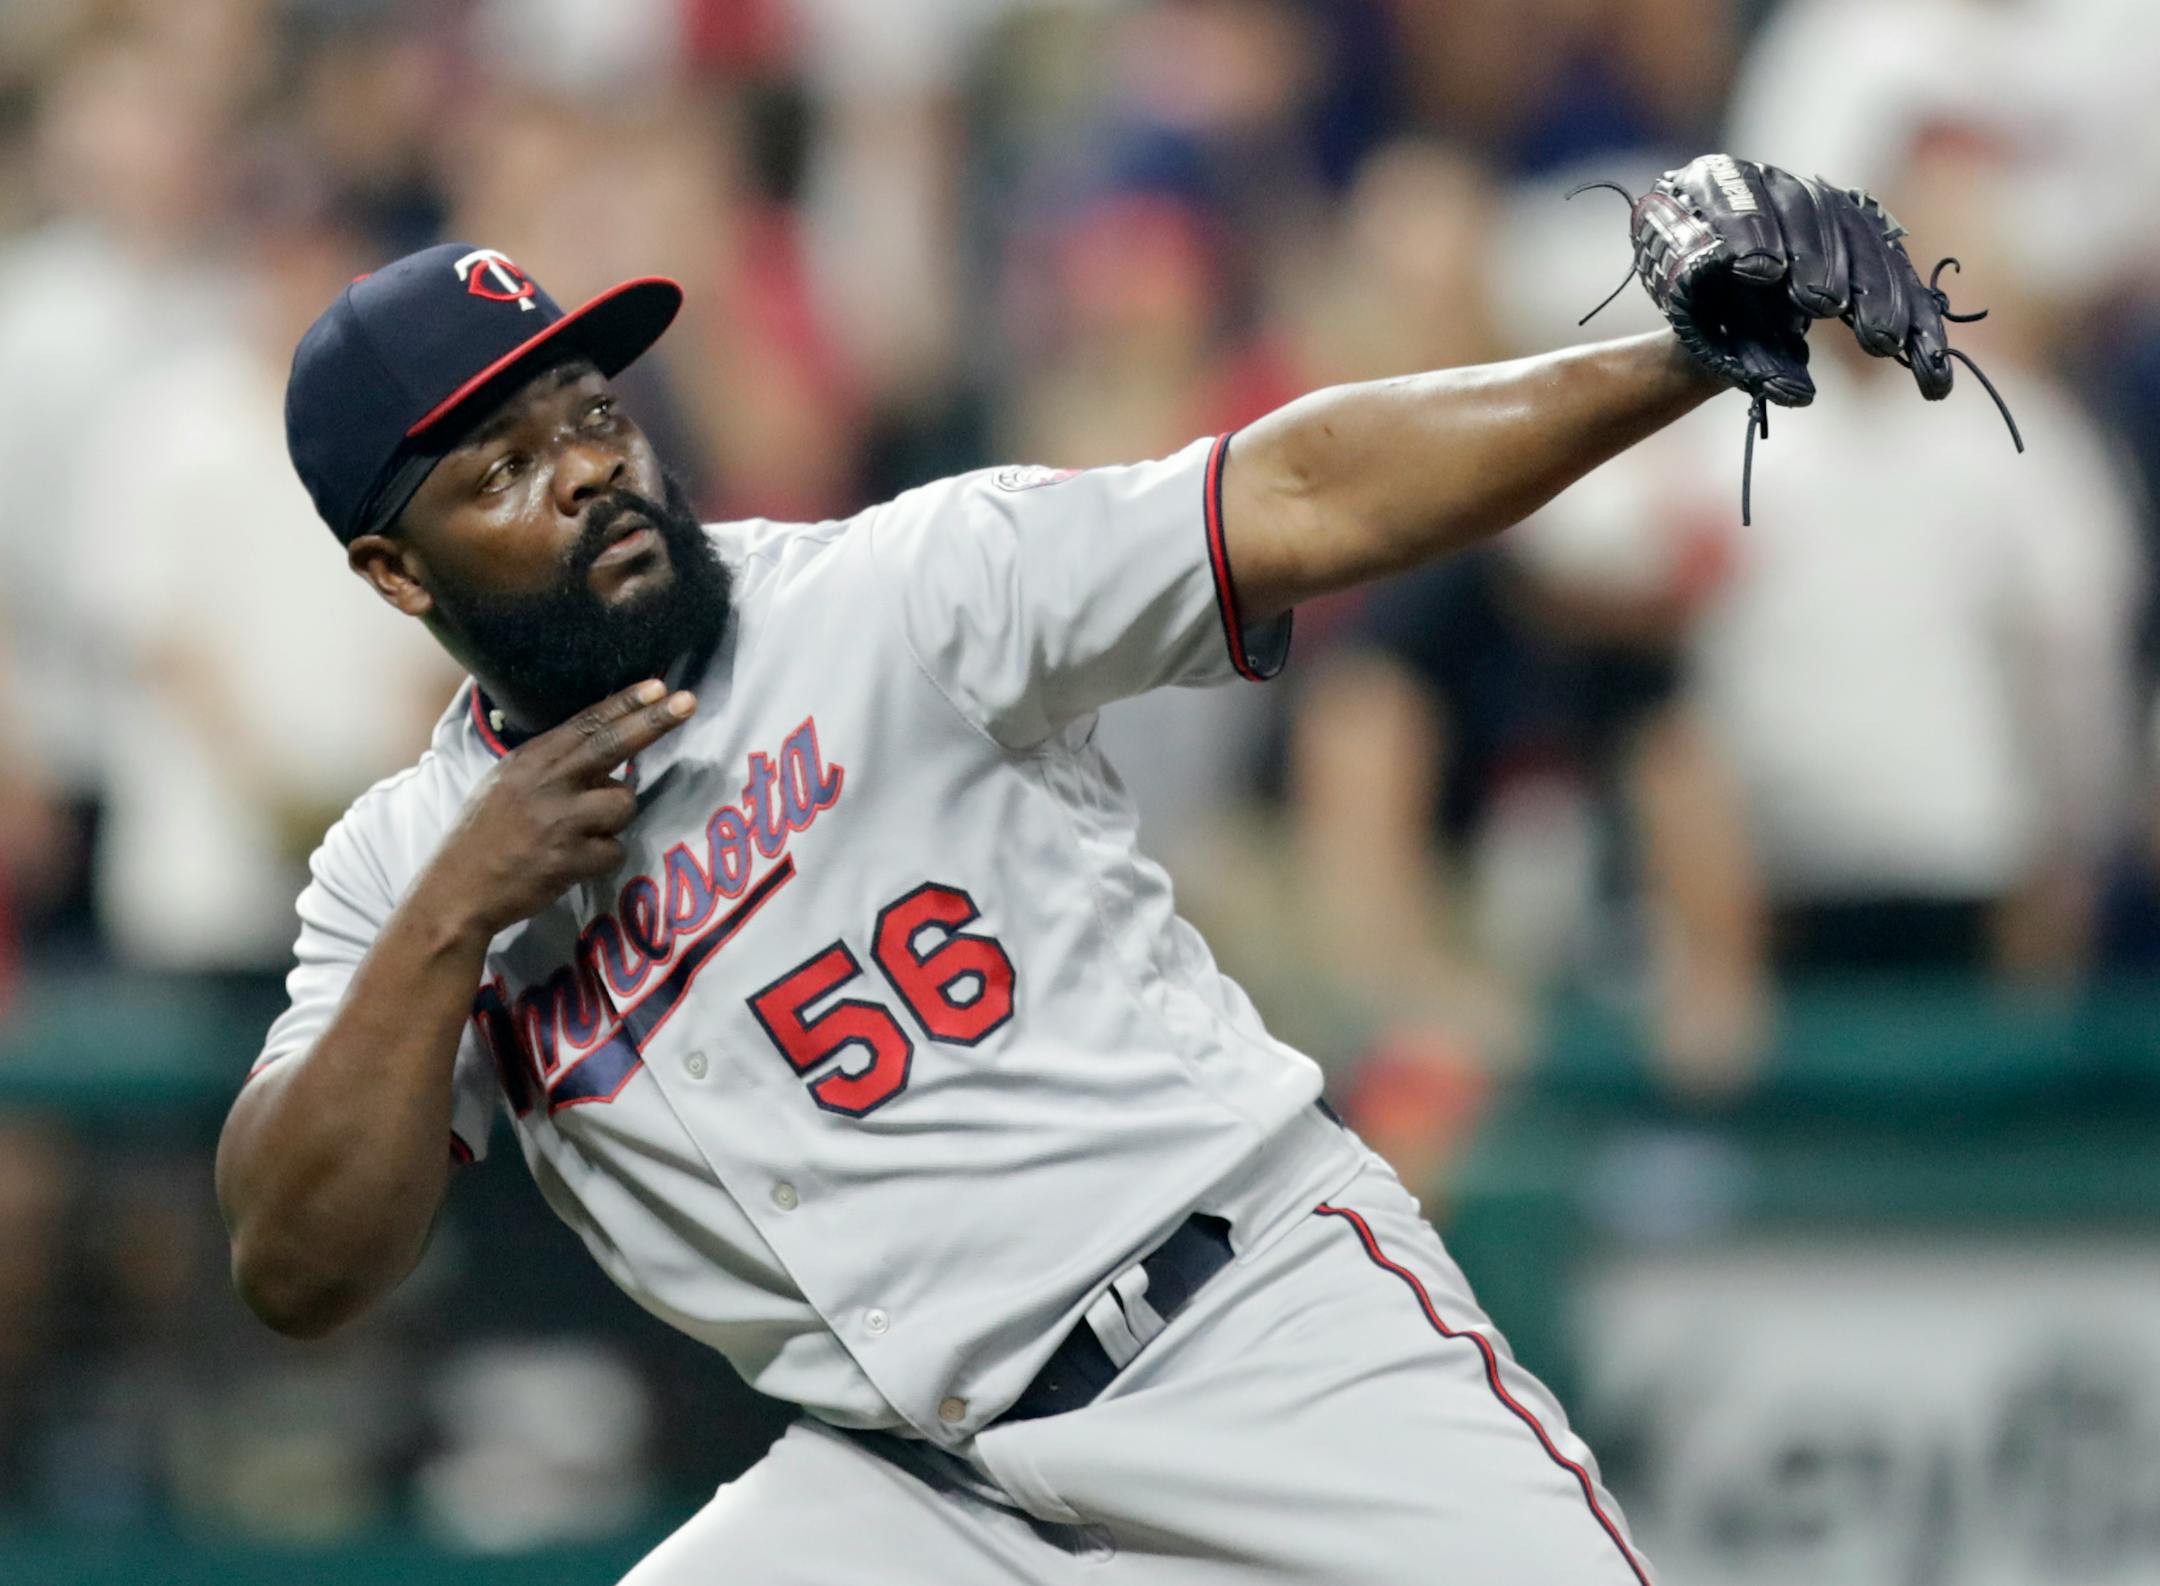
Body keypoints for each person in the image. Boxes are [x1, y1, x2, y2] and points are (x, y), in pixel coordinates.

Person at [216, 155, 1964, 1582]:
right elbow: (295, 1263)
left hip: (1253, 1339)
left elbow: (1293, 496)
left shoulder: (894, 595)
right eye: (505, 466)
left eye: (589, 407)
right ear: (395, 570)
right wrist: (461, 906)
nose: (590, 467)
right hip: (914, 1491)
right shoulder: (404, 873)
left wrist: (1665, 364)